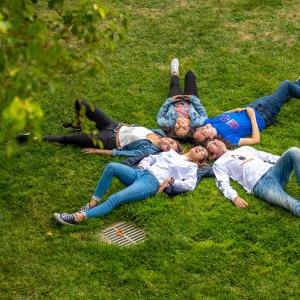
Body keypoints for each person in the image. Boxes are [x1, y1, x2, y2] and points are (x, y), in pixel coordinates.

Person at [53, 146, 209, 226]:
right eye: (199, 147)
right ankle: (91, 204)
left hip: (151, 182)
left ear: (199, 161)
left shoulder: (192, 167)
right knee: (112, 166)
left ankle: (78, 217)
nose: (199, 148)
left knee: (116, 197)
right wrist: (142, 166)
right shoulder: (172, 153)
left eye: (202, 152)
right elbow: (151, 158)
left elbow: (190, 185)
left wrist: (171, 181)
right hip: (140, 173)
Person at [43, 99, 180, 157]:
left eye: (168, 148)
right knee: (81, 103)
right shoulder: (160, 132)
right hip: (113, 125)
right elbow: (139, 129)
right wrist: (128, 126)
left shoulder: (149, 150)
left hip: (108, 140)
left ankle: (38, 138)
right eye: (171, 142)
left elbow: (124, 154)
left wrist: (97, 151)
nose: (167, 143)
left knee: (68, 139)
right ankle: (78, 125)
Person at [207, 138, 300, 216]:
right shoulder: (219, 163)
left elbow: (266, 156)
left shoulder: (244, 149)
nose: (215, 142)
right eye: (211, 145)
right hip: (262, 185)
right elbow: (222, 182)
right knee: (294, 206)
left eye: (214, 140)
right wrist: (234, 197)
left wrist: (285, 162)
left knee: (293, 151)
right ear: (213, 155)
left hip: (274, 171)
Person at [193, 79, 300, 146]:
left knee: (284, 93)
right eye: (203, 133)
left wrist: (236, 110)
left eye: (200, 129)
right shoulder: (227, 138)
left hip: (252, 106)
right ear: (210, 139)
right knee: (286, 86)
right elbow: (255, 140)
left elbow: (223, 114)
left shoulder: (211, 122)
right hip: (264, 114)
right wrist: (252, 117)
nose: (203, 128)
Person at [156, 58, 207, 139]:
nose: (180, 125)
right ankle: (191, 77)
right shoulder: (197, 122)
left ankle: (175, 73)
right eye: (184, 128)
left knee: (174, 85)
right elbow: (203, 114)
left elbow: (159, 118)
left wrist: (170, 100)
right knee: (190, 75)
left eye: (177, 128)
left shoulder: (169, 123)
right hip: (190, 100)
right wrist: (193, 99)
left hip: (175, 100)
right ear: (190, 128)